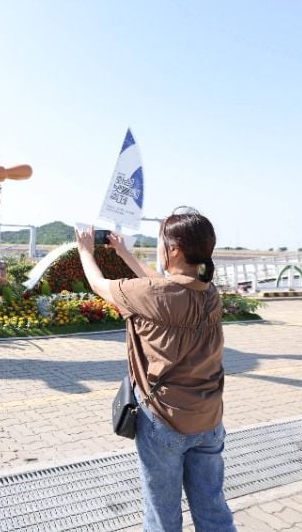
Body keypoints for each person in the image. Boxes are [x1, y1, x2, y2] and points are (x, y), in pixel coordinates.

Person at [76, 209, 235, 532]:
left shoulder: (151, 295)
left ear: (173, 249)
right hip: (208, 418)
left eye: (161, 242)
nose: (159, 247)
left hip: (164, 422)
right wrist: (125, 253)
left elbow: (98, 284)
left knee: (162, 515)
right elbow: (165, 285)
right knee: (213, 509)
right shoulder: (210, 295)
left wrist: (85, 250)